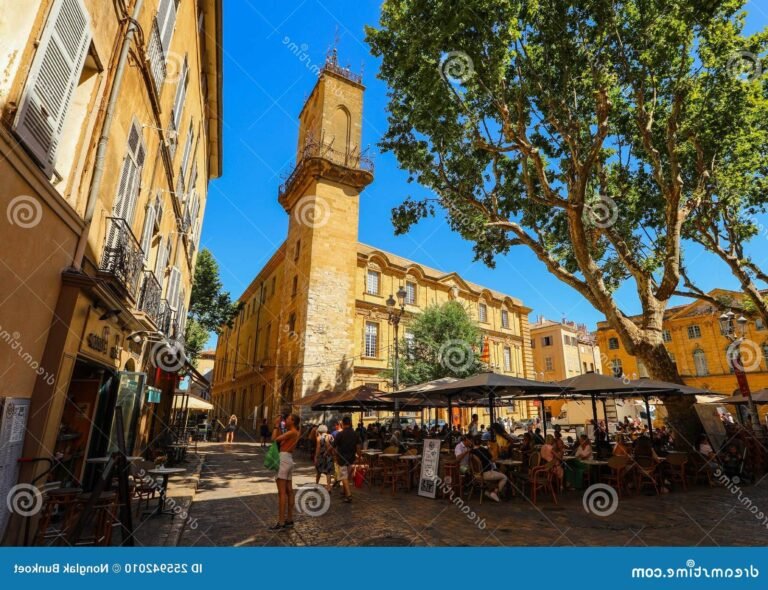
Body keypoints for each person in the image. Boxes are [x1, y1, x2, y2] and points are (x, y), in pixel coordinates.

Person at [269, 414, 300, 530]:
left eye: (288, 419)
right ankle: (289, 519)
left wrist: (276, 426)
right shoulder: (295, 432)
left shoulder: (292, 432)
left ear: (293, 421)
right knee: (289, 491)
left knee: (282, 493)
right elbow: (280, 439)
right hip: (289, 459)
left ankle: (281, 522)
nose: (285, 420)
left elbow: (274, 439)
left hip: (284, 459)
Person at [334, 416, 361, 503]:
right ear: (350, 423)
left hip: (342, 459)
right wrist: (359, 457)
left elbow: (334, 446)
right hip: (351, 458)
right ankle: (345, 492)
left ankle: (348, 495)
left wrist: (331, 454)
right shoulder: (355, 434)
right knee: (347, 477)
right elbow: (358, 447)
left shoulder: (340, 434)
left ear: (343, 423)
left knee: (344, 477)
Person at [314, 425, 335, 491]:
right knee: (328, 472)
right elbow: (334, 446)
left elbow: (318, 448)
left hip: (321, 457)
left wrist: (316, 457)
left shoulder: (319, 438)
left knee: (318, 471)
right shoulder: (330, 436)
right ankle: (328, 487)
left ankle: (316, 485)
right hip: (329, 456)